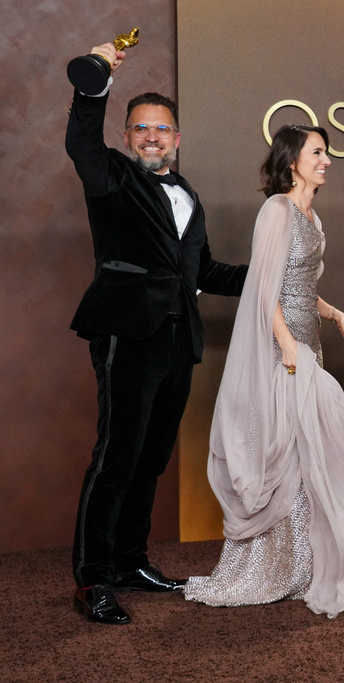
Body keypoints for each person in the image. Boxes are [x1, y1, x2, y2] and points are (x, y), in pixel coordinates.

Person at [66, 42, 248, 625]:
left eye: (161, 128)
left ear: (177, 138)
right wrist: (94, 85)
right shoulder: (111, 176)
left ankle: (129, 562)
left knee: (149, 459)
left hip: (176, 340)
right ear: (126, 137)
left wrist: (271, 271)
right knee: (116, 457)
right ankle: (93, 578)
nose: (151, 136)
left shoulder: (189, 194)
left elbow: (204, 271)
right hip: (127, 331)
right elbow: (81, 144)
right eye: (141, 128)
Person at [182, 125, 344, 617]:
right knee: (281, 454)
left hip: (305, 347)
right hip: (283, 352)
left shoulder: (312, 217)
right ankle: (266, 568)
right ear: (293, 161)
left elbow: (299, 287)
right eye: (318, 152)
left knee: (306, 454)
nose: (327, 160)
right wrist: (286, 342)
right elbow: (263, 287)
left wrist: (335, 315)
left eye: (326, 153)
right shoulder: (277, 209)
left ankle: (300, 566)